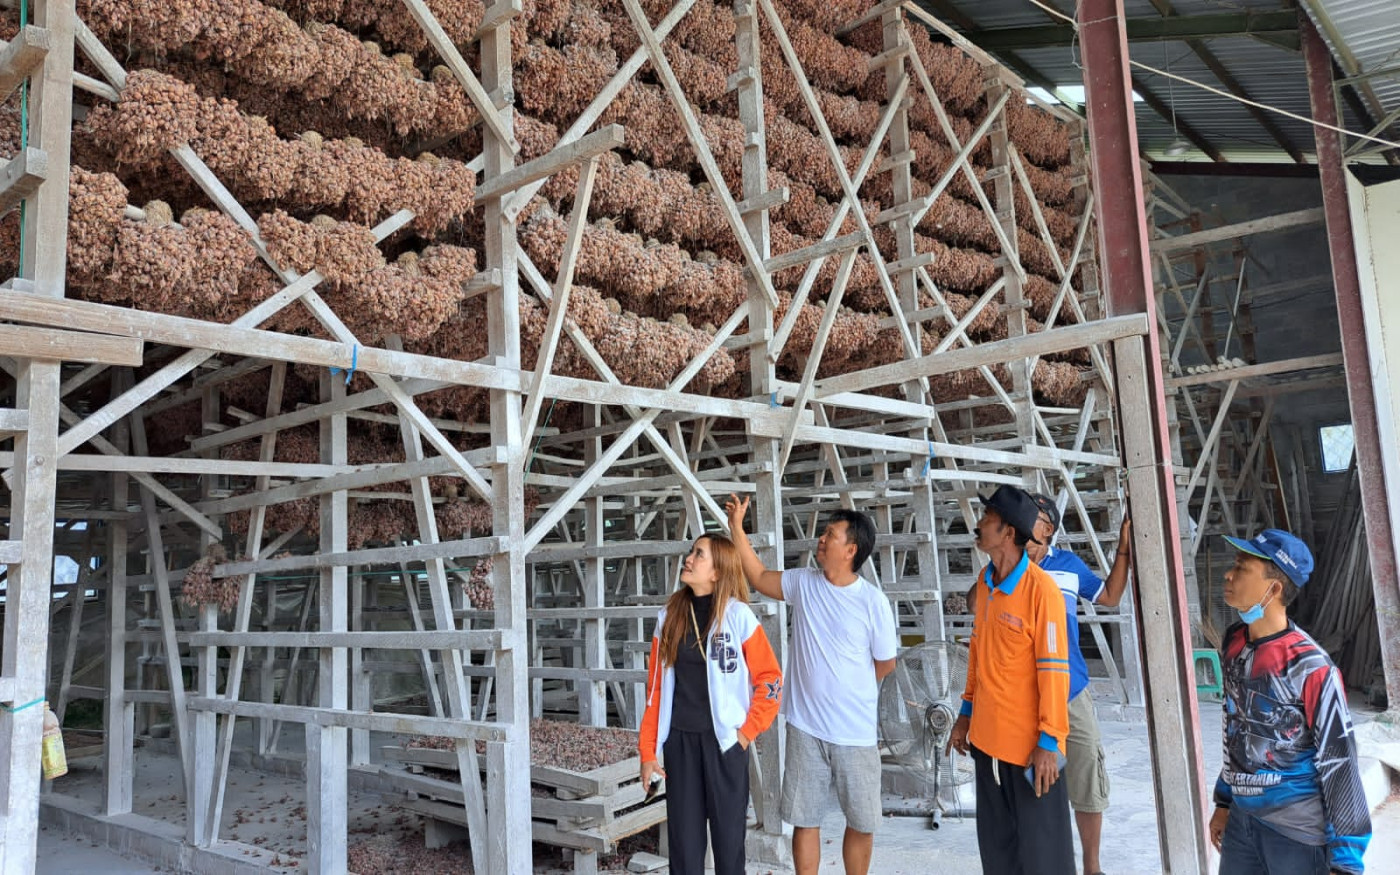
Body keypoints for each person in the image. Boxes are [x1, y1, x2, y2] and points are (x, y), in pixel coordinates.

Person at [725, 494, 897, 875]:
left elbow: (886, 662)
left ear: (850, 550)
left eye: (830, 534)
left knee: (862, 821)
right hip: (806, 727)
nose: (821, 539)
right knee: (805, 818)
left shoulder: (873, 602)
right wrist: (736, 527)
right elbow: (758, 577)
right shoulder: (804, 583)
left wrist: (849, 688)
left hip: (855, 732)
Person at [1209, 529, 1371, 875]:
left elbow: (1339, 759)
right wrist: (1224, 800)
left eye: (1242, 567)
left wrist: (1346, 859)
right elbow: (1234, 725)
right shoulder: (1234, 642)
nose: (1228, 575)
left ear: (1274, 589)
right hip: (1242, 821)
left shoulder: (1311, 667)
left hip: (1297, 831)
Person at [638, 533, 783, 875]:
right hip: (680, 746)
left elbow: (771, 680)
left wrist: (745, 734)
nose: (689, 559)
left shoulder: (739, 617)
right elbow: (655, 691)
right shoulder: (668, 617)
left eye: (699, 554)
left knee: (729, 850)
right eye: (691, 552)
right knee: (685, 852)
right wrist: (648, 752)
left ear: (717, 572)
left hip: (725, 745)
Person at [949, 484, 1074, 875]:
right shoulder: (986, 584)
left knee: (1044, 859)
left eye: (987, 518)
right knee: (998, 854)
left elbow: (1054, 671)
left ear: (1008, 532)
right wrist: (965, 714)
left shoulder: (1042, 592)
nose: (979, 525)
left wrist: (1050, 740)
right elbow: (978, 655)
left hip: (1030, 753)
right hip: (987, 745)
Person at [1028, 494, 1131, 875]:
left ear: (1048, 529)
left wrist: (1124, 549)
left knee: (1086, 773)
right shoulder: (1007, 565)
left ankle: (1091, 867)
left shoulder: (1068, 566)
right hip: (1025, 695)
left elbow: (1109, 596)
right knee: (1033, 781)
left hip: (1071, 690)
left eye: (1031, 518)